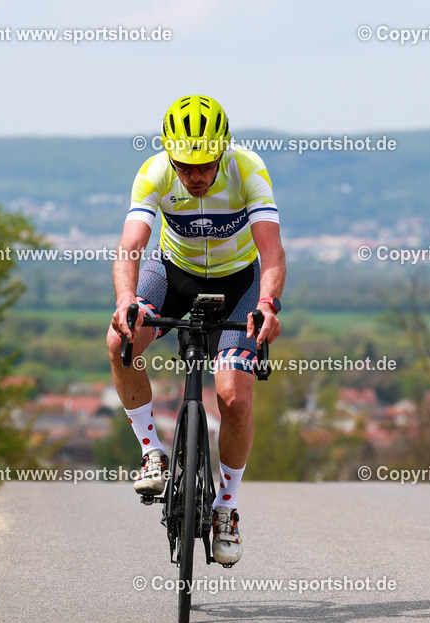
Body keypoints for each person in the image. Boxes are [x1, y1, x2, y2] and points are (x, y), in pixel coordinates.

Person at [106, 95, 285, 565]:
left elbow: (271, 251)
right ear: (170, 156)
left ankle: (225, 507)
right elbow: (131, 246)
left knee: (233, 398)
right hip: (173, 273)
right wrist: (126, 302)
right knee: (119, 339)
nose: (195, 176)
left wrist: (267, 305)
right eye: (185, 166)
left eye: (205, 166)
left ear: (222, 151)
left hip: (239, 284)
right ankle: (153, 452)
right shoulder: (154, 173)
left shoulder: (247, 169)